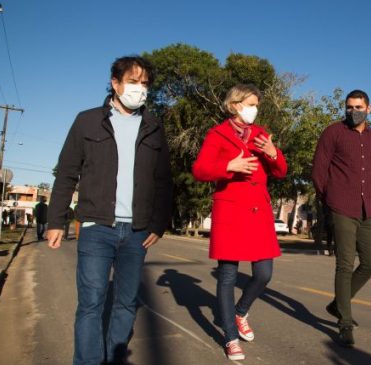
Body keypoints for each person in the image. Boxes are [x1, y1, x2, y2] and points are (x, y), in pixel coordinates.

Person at [46, 56, 173, 365]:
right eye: (133, 81)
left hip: (137, 232)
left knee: (126, 303)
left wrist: (159, 223)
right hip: (95, 227)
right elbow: (66, 173)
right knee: (91, 303)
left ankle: (115, 358)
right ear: (115, 83)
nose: (140, 89)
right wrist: (56, 221)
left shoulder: (154, 127)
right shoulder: (87, 120)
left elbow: (164, 181)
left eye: (145, 84)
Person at [192, 84, 287, 361]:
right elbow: (199, 170)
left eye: (257, 104)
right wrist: (228, 167)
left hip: (259, 213)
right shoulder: (217, 134)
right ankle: (231, 337)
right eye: (250, 104)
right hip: (231, 214)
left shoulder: (260, 135)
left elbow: (281, 172)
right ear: (234, 105)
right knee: (227, 277)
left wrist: (272, 151)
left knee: (264, 274)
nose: (254, 109)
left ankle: (240, 311)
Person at [312, 89, 371, 348]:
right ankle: (344, 322)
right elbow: (319, 170)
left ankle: (337, 304)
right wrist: (329, 201)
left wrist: (368, 194)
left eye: (358, 107)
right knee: (344, 265)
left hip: (367, 208)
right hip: (341, 206)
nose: (354, 112)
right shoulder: (333, 132)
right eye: (349, 107)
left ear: (369, 108)